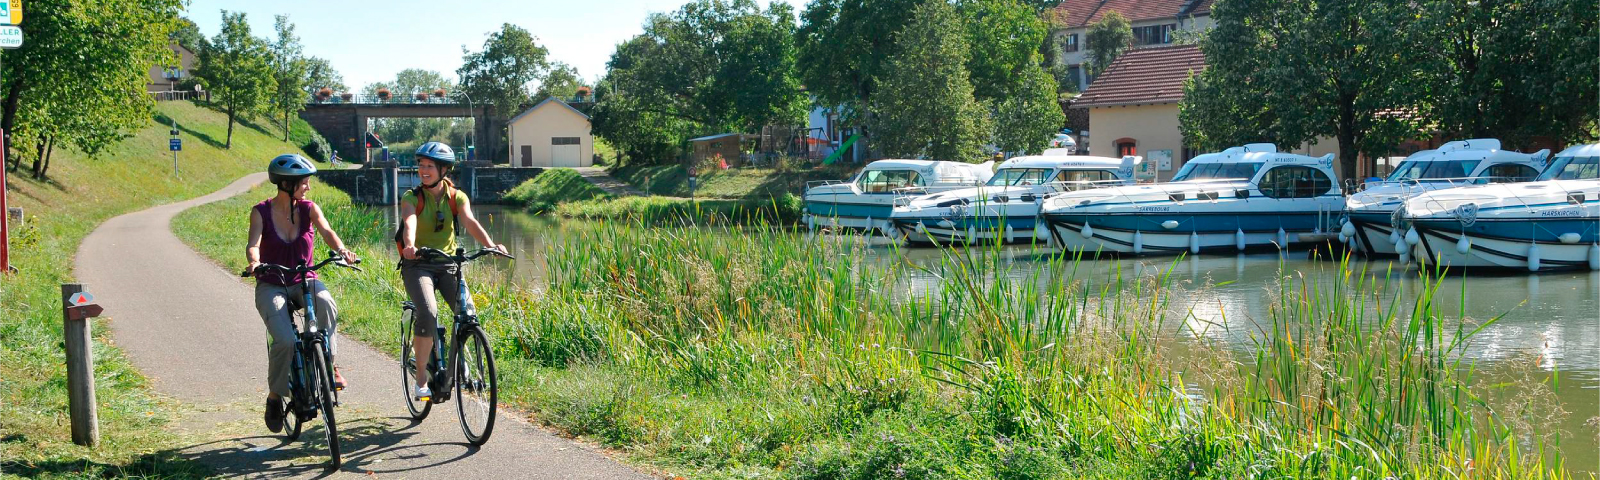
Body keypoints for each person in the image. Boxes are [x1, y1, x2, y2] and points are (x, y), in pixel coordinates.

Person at [245, 154, 359, 433]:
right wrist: (254, 262)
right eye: (303, 183)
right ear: (286, 184)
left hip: (304, 279)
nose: (307, 187)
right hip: (272, 283)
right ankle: (274, 397)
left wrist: (341, 250)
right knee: (284, 340)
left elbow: (327, 231)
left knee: (326, 303)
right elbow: (254, 243)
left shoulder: (309, 209)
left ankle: (328, 364)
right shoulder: (260, 211)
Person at [396, 141, 506, 401]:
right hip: (418, 264)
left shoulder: (457, 197)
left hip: (448, 264)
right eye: (421, 165)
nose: (423, 170)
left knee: (468, 313)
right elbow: (409, 220)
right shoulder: (411, 197)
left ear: (444, 169)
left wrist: (490, 245)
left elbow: (469, 220)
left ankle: (463, 363)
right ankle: (421, 378)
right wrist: (410, 246)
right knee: (428, 312)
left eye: (429, 166)